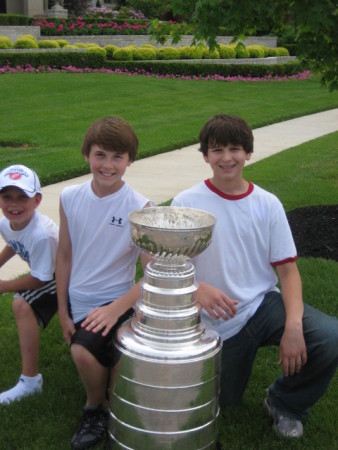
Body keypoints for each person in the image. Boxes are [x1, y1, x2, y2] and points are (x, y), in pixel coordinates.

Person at [171, 114, 338, 438]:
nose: (226, 158)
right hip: (213, 318)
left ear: (248, 153)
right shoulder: (186, 204)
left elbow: (288, 272)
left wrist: (292, 327)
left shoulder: (267, 204)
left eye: (235, 148)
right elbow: (167, 264)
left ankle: (285, 403)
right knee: (223, 403)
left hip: (262, 306)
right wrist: (197, 287)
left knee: (329, 337)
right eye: (217, 150)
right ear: (205, 155)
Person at [56, 116, 152, 450]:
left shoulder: (139, 207)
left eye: (117, 157)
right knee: (83, 351)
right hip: (80, 300)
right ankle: (94, 407)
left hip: (118, 300)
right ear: (86, 155)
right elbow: (64, 255)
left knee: (124, 351)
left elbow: (151, 274)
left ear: (130, 160)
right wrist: (64, 313)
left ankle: (109, 405)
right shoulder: (70, 197)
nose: (107, 165)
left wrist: (115, 310)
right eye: (100, 155)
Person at [0, 164, 58, 404]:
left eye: (22, 197)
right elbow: (14, 243)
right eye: (7, 197)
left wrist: (4, 286)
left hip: (67, 276)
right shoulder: (7, 223)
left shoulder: (41, 235)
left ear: (37, 200)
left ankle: (31, 382)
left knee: (22, 303)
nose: (14, 204)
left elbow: (39, 279)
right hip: (50, 273)